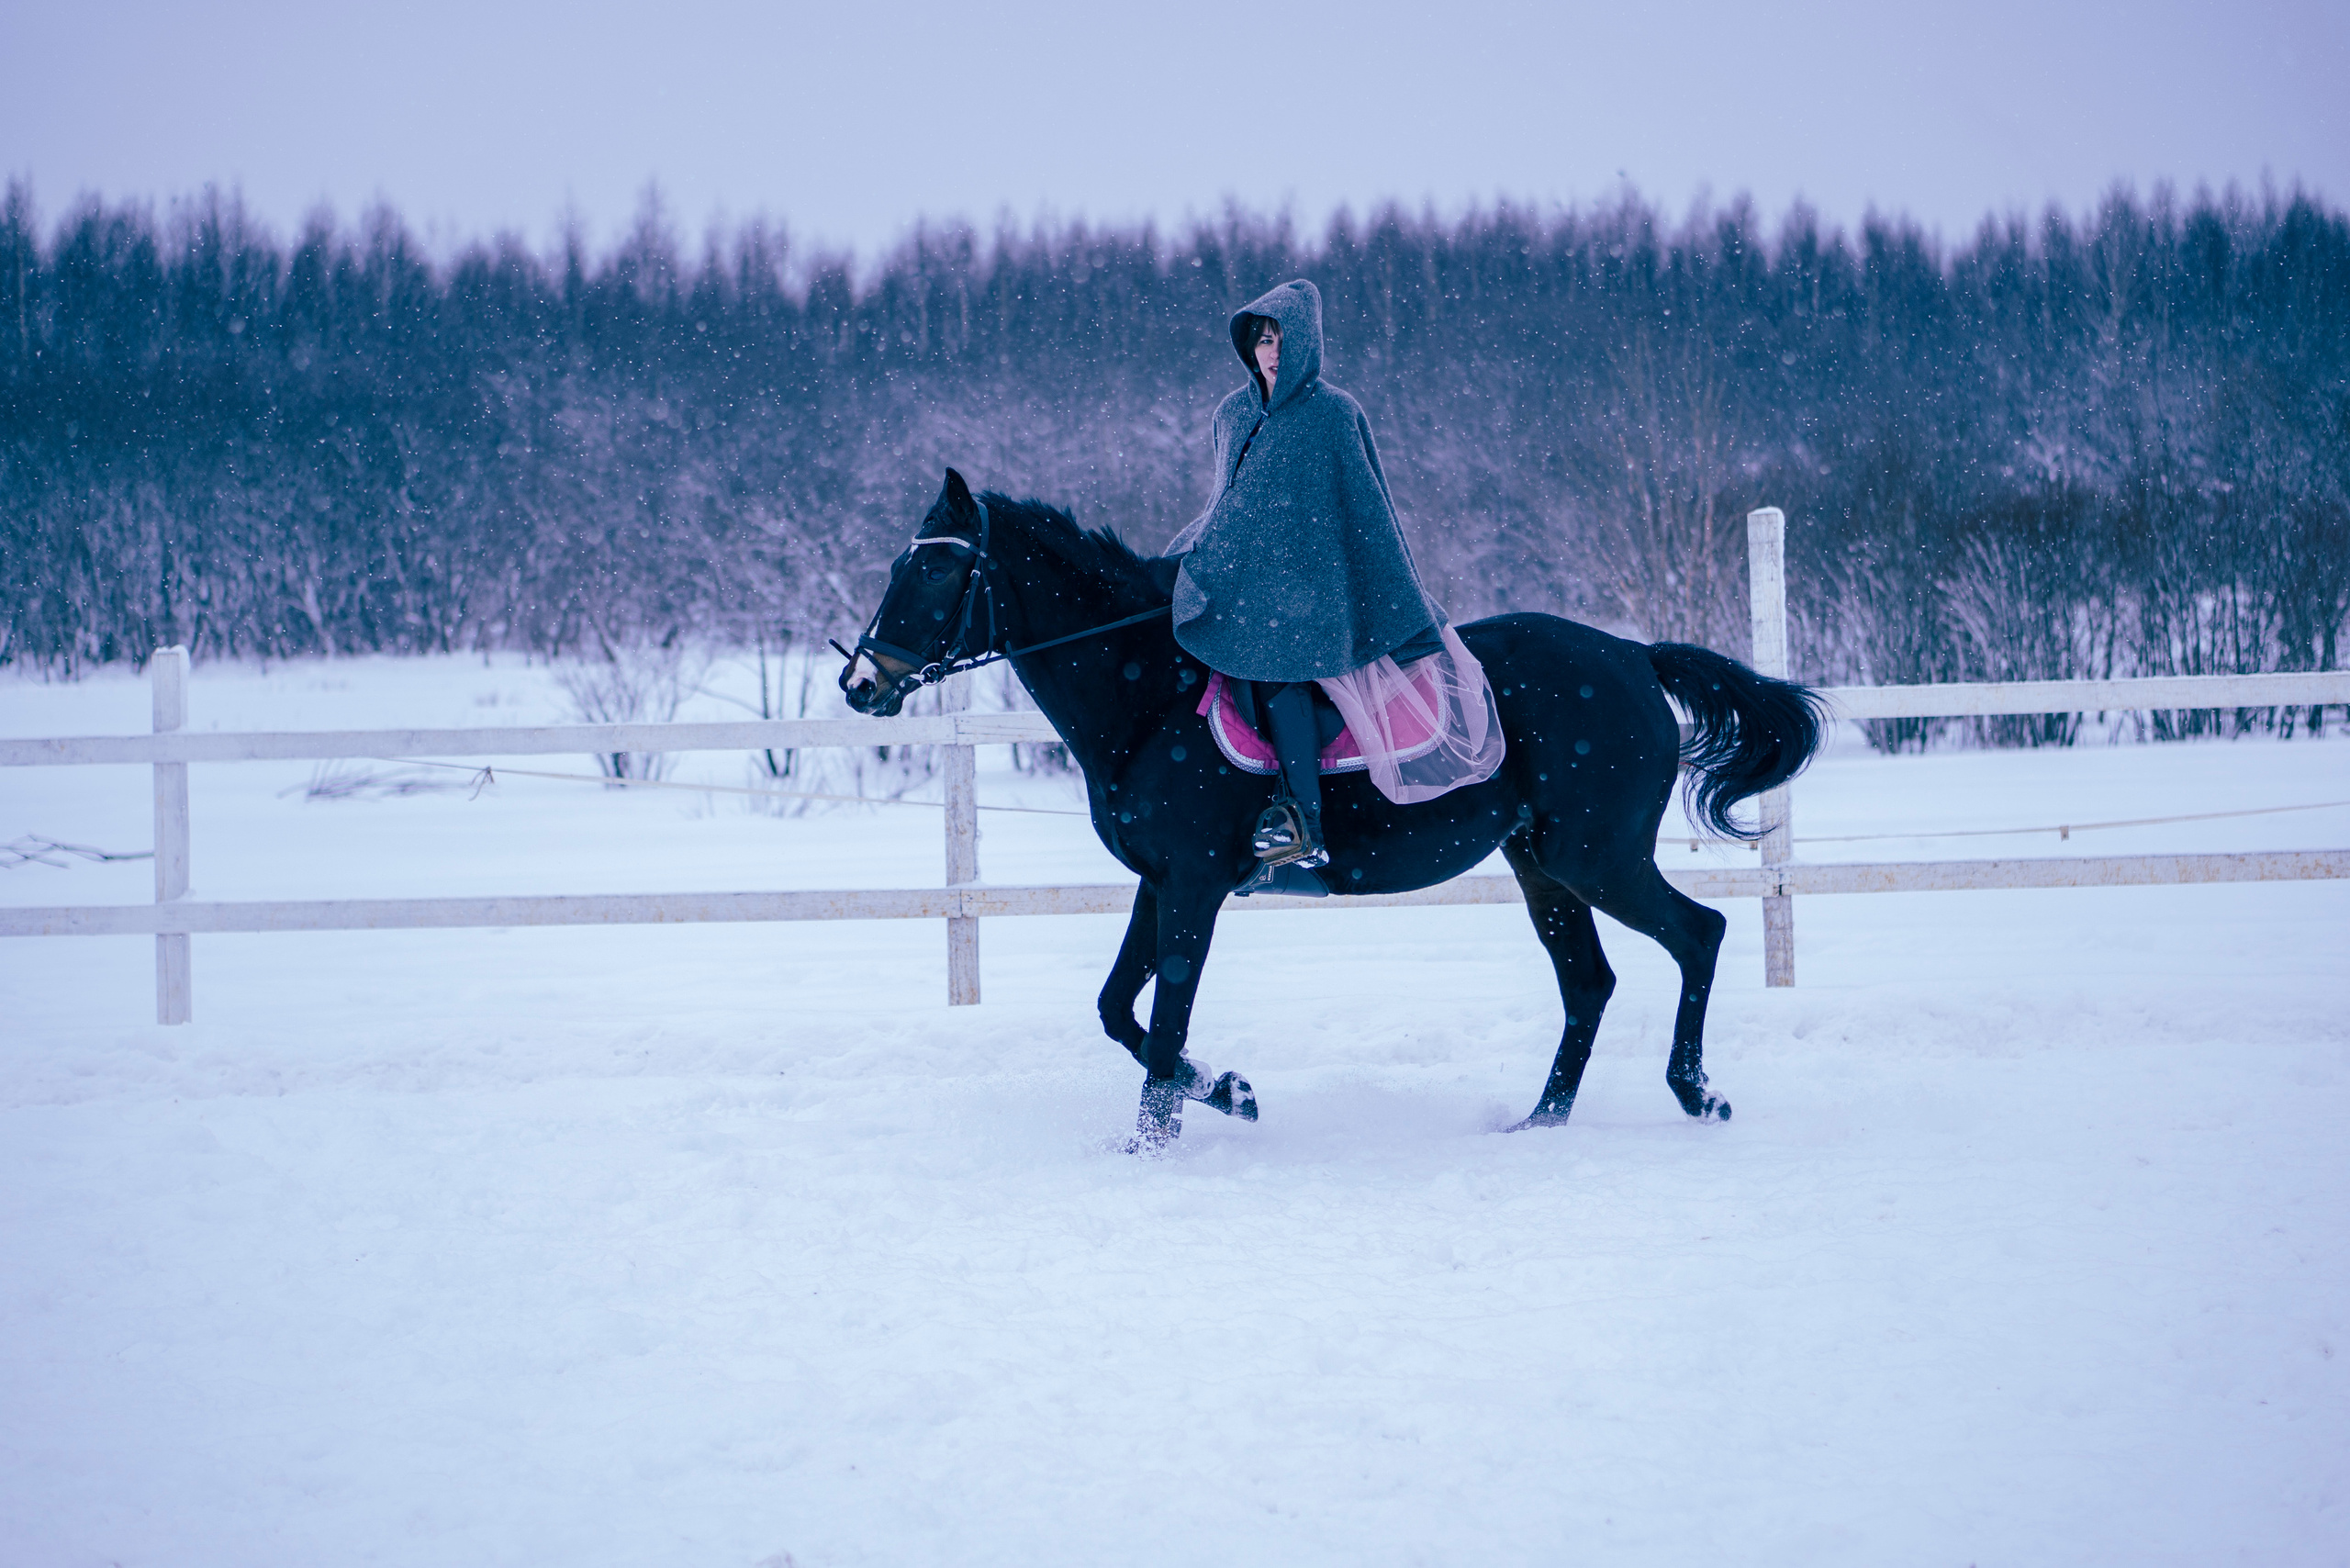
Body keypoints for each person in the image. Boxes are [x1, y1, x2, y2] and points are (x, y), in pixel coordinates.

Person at [1163, 278, 1502, 896]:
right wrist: (1190, 552)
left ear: (1307, 344)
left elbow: (1364, 513)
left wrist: (1363, 590)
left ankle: (1304, 825)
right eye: (1262, 338)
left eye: (1282, 339)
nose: (1271, 351)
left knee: (1280, 670)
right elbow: (1227, 505)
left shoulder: (1332, 413)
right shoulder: (1231, 414)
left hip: (1319, 593)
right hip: (1247, 585)